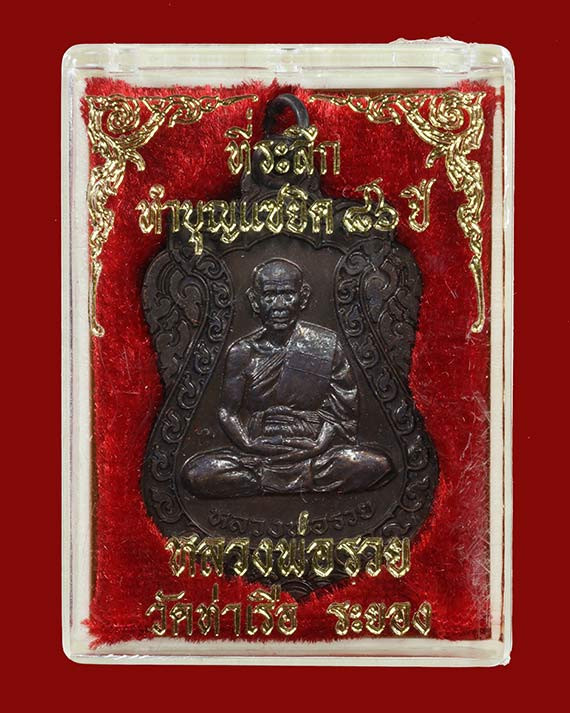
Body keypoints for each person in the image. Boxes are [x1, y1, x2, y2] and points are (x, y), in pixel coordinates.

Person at [181, 258, 393, 498]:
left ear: (303, 297)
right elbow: (227, 412)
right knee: (195, 474)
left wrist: (318, 445)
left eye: (288, 295)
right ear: (255, 300)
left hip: (313, 450)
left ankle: (271, 482)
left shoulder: (324, 345)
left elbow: (341, 412)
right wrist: (248, 443)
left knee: (378, 464)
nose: (279, 306)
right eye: (269, 296)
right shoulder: (242, 352)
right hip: (259, 452)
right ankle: (285, 480)